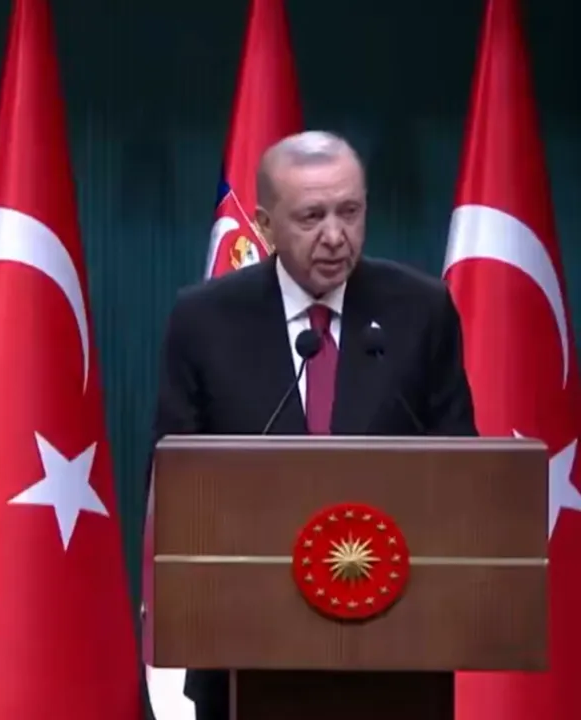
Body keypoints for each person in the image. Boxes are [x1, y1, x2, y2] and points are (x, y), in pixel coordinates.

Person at [150, 130, 477, 720]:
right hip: (243, 657)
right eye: (311, 217)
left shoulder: (421, 310)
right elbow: (176, 481)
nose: (335, 235)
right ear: (265, 226)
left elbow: (461, 471)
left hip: (396, 655)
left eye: (350, 212)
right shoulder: (205, 320)